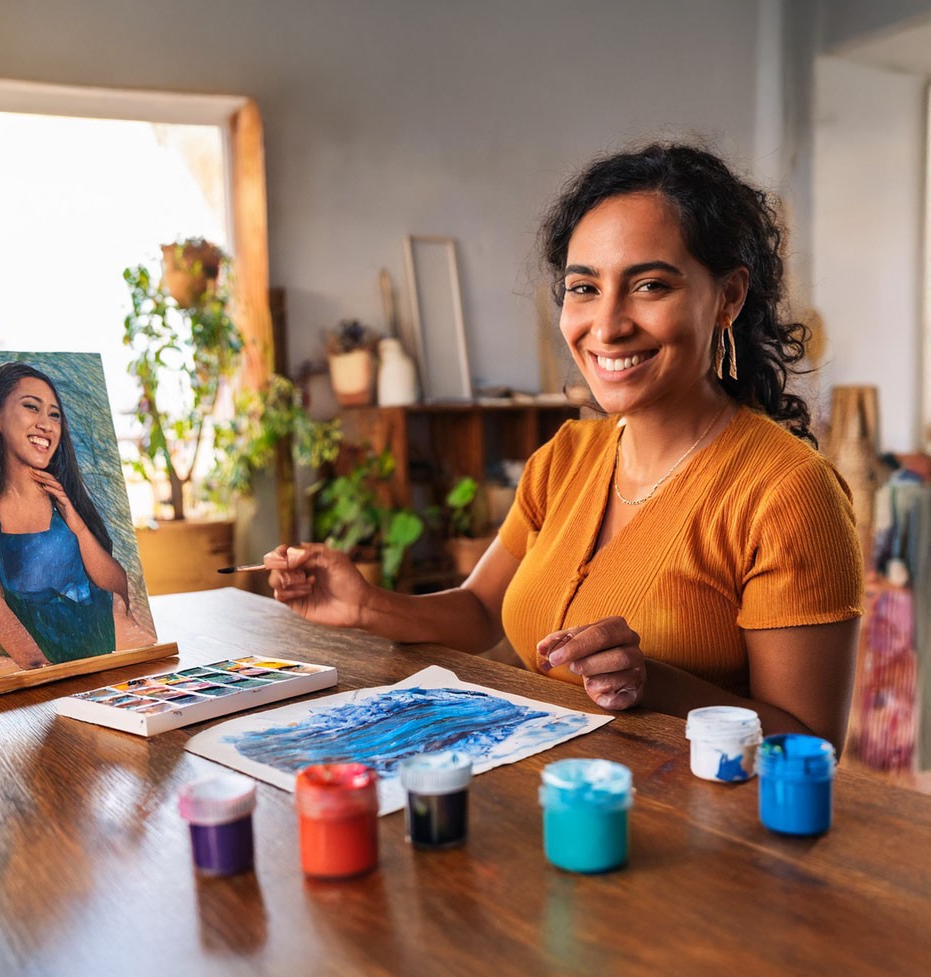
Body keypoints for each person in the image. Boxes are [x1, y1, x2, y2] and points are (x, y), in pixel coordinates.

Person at [265, 143, 864, 753]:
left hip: (693, 837)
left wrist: (650, 681)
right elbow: (478, 609)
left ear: (729, 298)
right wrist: (367, 605)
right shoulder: (566, 457)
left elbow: (812, 743)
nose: (606, 326)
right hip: (549, 809)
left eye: (650, 285)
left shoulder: (788, 492)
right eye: (584, 288)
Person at [0, 361, 135, 671]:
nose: (47, 424)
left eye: (54, 414)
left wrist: (78, 526)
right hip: (43, 673)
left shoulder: (67, 492)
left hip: (108, 662)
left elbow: (119, 591)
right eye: (32, 407)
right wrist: (43, 672)